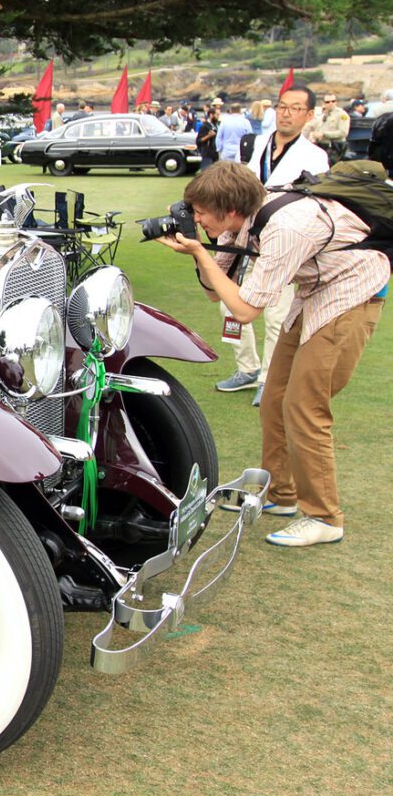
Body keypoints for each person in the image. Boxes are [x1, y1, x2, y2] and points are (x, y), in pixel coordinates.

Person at [158, 162, 387, 547]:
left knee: (304, 405)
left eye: (200, 213)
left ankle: (324, 516)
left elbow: (245, 310)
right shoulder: (242, 221)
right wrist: (199, 249)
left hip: (351, 296)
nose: (196, 219)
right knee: (275, 399)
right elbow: (217, 291)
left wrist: (200, 249)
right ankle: (281, 494)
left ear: (229, 210)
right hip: (315, 295)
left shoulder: (285, 226)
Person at [215, 86, 332, 405]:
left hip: (283, 243)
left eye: (296, 108)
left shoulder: (315, 156)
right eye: (282, 106)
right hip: (247, 236)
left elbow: (317, 206)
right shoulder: (258, 143)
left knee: (277, 313)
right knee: (229, 303)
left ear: (309, 115)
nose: (287, 113)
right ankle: (247, 367)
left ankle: (269, 376)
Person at [307, 93, 351, 165]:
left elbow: (343, 133)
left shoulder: (341, 115)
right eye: (327, 102)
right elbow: (314, 126)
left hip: (334, 147)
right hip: (321, 146)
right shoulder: (323, 115)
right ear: (323, 103)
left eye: (333, 101)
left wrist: (324, 134)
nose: (331, 103)